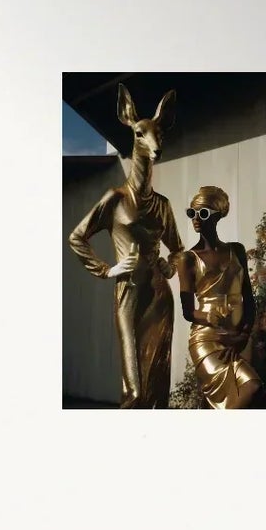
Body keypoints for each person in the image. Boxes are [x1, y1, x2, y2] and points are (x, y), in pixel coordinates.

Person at [67, 87, 181, 408]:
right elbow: (77, 238)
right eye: (144, 134)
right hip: (128, 294)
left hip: (159, 297)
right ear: (135, 135)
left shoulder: (163, 205)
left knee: (158, 390)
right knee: (134, 391)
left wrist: (169, 267)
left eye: (157, 133)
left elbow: (176, 251)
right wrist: (108, 269)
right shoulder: (114, 199)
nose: (152, 140)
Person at [176, 186, 261, 410]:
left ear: (217, 216)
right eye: (191, 213)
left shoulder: (237, 250)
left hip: (237, 338)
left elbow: (249, 300)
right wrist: (208, 315)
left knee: (249, 388)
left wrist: (243, 335)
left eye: (202, 213)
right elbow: (187, 312)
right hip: (206, 340)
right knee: (250, 389)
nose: (195, 219)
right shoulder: (187, 259)